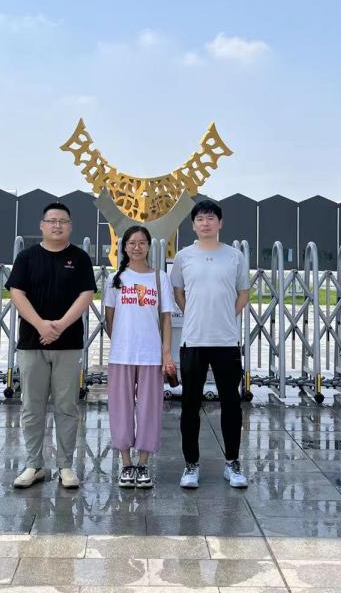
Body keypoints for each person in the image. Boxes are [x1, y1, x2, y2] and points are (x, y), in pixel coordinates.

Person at [7, 202, 96, 490]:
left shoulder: (79, 258)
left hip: (68, 344)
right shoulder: (27, 257)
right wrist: (41, 325)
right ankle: (34, 465)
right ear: (42, 225)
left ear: (70, 226)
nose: (57, 225)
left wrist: (59, 326)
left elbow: (86, 295)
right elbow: (17, 293)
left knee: (66, 406)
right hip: (32, 343)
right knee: (32, 407)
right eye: (52, 220)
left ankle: (65, 466)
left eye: (63, 221)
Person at [170, 199, 250, 489]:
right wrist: (193, 313)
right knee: (190, 404)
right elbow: (178, 292)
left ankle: (232, 463)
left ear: (220, 223)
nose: (206, 223)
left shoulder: (234, 256)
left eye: (211, 218)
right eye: (200, 219)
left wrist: (226, 315)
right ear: (193, 225)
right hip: (193, 340)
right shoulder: (183, 257)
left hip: (226, 340)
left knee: (231, 403)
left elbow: (243, 293)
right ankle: (191, 464)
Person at [104, 225, 176, 489]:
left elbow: (166, 318)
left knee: (149, 409)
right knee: (120, 408)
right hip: (121, 354)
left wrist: (165, 352)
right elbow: (109, 320)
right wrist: (124, 340)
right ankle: (126, 464)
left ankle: (143, 464)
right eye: (132, 243)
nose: (137, 247)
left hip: (151, 355)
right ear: (124, 247)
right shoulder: (115, 279)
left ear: (148, 246)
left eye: (142, 243)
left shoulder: (159, 278)